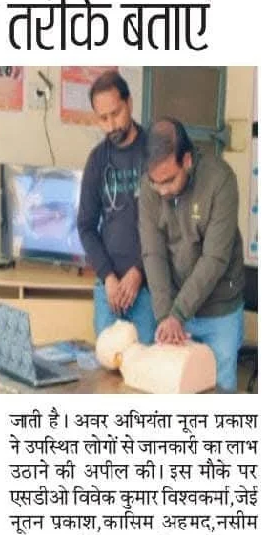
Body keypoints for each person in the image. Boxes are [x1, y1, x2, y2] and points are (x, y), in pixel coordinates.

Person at [138, 117, 245, 392]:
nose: (162, 191)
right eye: (155, 183)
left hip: (218, 310)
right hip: (173, 308)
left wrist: (178, 313)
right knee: (173, 391)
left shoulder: (220, 180)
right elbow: (153, 253)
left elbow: (215, 259)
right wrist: (166, 316)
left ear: (186, 160)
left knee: (219, 391)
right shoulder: (150, 186)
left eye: (169, 181)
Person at [77, 70, 156, 343]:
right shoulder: (97, 160)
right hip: (109, 290)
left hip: (148, 288)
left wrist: (139, 272)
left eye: (116, 113)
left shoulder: (154, 152)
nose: (111, 125)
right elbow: (86, 226)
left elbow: (168, 224)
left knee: (145, 363)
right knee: (107, 363)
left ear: (129, 103)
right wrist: (108, 277)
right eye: (103, 118)